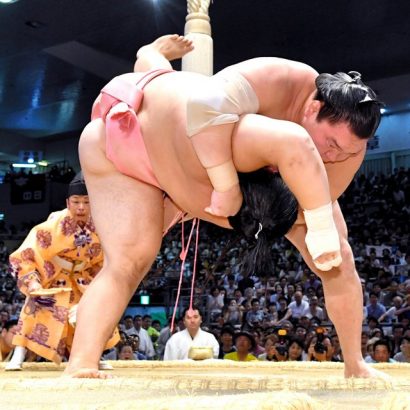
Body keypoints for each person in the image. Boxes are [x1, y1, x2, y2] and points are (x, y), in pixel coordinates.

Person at [64, 35, 383, 379]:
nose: (336, 156)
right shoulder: (278, 84)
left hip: (182, 155)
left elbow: (318, 198)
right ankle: (81, 362)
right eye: (332, 143)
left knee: (340, 257)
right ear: (313, 108)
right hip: (126, 139)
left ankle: (355, 363)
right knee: (127, 262)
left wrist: (314, 229)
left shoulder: (347, 145)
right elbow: (205, 106)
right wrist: (228, 187)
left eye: (350, 153)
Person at [6, 172, 119, 370]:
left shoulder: (100, 225)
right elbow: (29, 252)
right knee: (34, 307)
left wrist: (102, 283)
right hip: (54, 277)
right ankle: (19, 354)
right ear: (68, 203)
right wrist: (33, 281)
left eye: (86, 201)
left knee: (94, 311)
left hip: (83, 279)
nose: (81, 207)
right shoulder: (53, 225)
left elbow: (105, 259)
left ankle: (91, 356)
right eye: (76, 201)